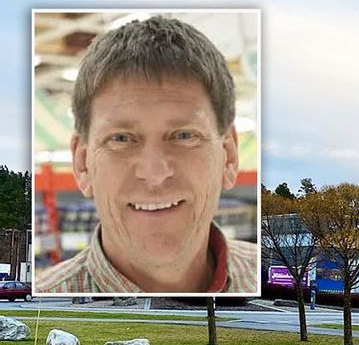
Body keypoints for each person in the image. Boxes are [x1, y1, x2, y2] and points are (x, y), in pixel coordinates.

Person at [36, 15, 259, 294]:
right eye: (121, 138)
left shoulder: (277, 282)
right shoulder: (36, 312)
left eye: (184, 135)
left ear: (228, 156)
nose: (154, 173)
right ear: (82, 164)